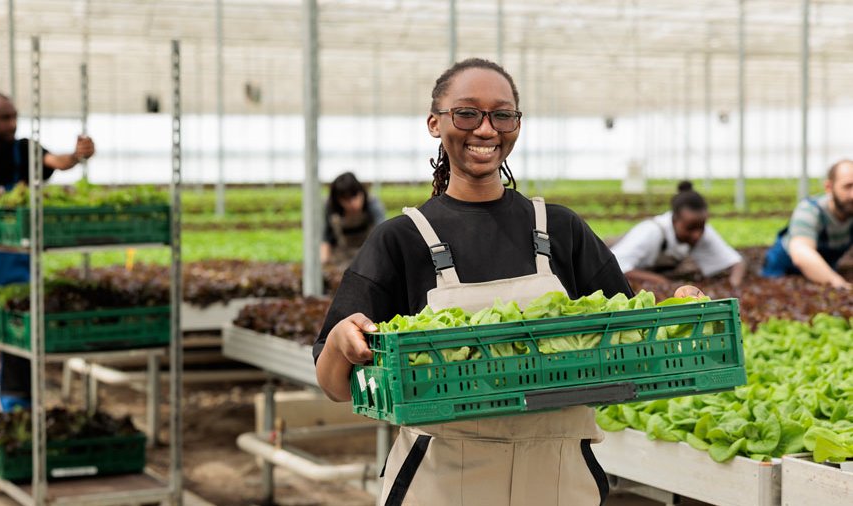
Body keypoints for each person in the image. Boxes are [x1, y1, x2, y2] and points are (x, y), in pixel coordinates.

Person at [312, 58, 704, 505]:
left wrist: (677, 313)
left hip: (559, 481)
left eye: (502, 115)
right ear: (435, 123)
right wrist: (343, 341)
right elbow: (333, 384)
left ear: (517, 124)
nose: (485, 129)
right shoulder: (400, 240)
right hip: (445, 484)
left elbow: (630, 343)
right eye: (466, 113)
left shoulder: (562, 229)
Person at [0, 91, 95, 418]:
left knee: (20, 341)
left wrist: (77, 156)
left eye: (14, 116)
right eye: (4, 118)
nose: (12, 124)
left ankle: (18, 413)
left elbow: (56, 161)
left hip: (18, 271)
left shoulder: (26, 150)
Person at [610, 181, 746, 289]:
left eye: (701, 227)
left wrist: (733, 286)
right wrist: (660, 281)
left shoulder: (701, 231)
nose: (697, 235)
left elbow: (736, 263)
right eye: (690, 228)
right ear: (674, 220)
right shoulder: (651, 231)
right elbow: (615, 267)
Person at [761, 160, 853, 289]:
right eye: (848, 186)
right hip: (782, 272)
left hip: (822, 273)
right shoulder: (810, 211)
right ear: (829, 187)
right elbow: (801, 253)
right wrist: (837, 283)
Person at [320, 171, 385, 269]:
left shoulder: (372, 203)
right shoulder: (330, 207)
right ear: (338, 200)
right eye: (346, 200)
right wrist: (325, 265)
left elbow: (381, 234)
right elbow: (326, 237)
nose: (353, 203)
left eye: (355, 196)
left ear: (361, 192)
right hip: (341, 259)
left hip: (368, 256)